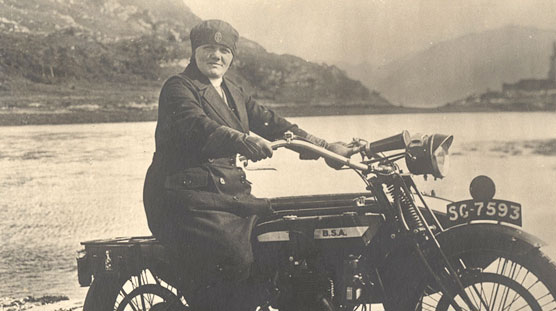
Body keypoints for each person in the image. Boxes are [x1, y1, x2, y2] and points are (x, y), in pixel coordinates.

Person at [143, 19, 356, 311]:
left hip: (227, 197)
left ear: (232, 56)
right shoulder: (179, 87)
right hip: (184, 201)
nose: (216, 55)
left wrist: (323, 147)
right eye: (208, 48)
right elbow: (198, 125)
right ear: (195, 52)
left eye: (223, 50)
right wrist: (242, 140)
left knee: (285, 236)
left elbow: (273, 123)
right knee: (234, 256)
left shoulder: (233, 92)